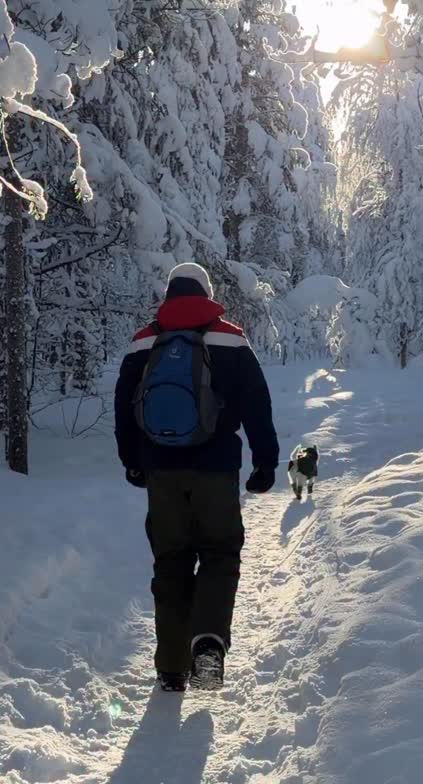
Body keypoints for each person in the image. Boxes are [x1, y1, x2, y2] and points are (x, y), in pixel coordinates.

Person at [114, 262, 279, 693]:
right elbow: (257, 404)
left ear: (169, 294)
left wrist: (132, 460)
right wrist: (266, 462)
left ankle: (171, 668)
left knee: (170, 562)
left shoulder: (145, 340)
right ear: (206, 292)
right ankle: (208, 641)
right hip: (216, 468)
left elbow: (123, 408)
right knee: (220, 553)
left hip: (161, 471)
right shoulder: (230, 337)